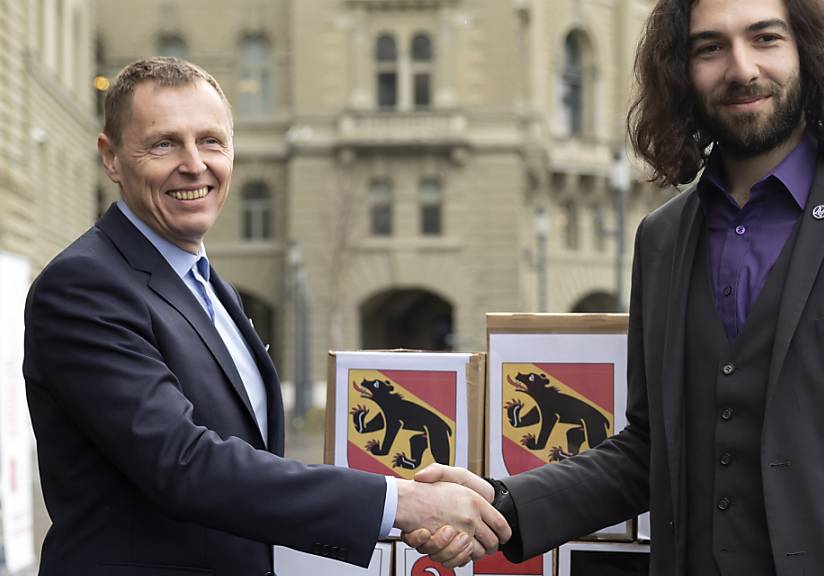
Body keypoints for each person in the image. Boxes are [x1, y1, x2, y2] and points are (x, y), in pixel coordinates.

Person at [406, 0, 824, 573]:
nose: (742, 68)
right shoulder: (662, 238)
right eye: (710, 47)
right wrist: (502, 505)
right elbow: (649, 450)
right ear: (681, 71)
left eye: (765, 38)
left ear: (807, 51)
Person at [23, 57, 508, 576]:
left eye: (211, 141)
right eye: (164, 144)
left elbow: (248, 465)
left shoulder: (210, 288)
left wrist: (405, 511)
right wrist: (402, 502)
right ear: (112, 158)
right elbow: (183, 463)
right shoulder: (84, 286)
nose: (194, 164)